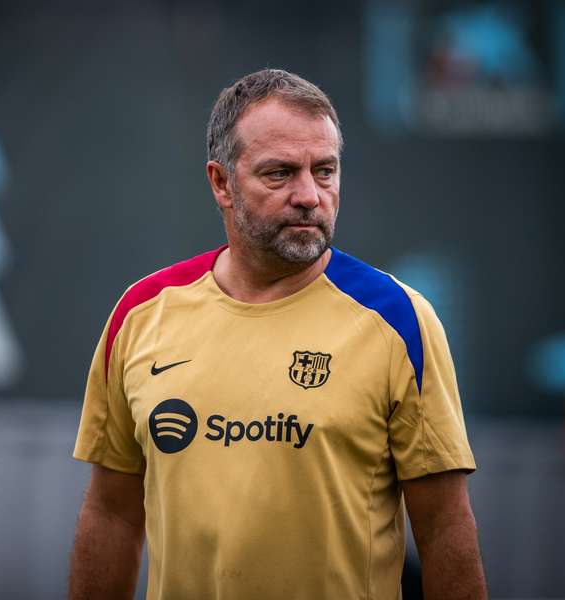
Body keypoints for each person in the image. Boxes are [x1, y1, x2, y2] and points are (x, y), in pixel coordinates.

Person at [68, 68, 487, 600]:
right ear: (221, 182)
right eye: (280, 173)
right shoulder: (142, 312)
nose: (310, 195)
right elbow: (111, 515)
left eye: (326, 171)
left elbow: (444, 525)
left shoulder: (399, 319)